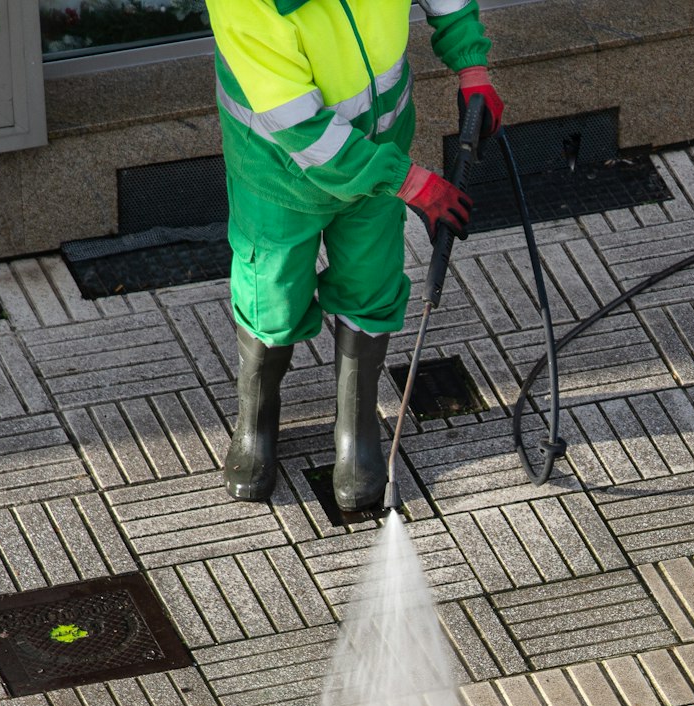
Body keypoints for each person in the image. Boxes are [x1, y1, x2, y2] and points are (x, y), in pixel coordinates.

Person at [206, 0, 504, 511]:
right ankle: (256, 422)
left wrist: (471, 63)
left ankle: (356, 427)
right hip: (279, 175)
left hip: (379, 149)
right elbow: (303, 132)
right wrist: (410, 183)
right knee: (271, 295)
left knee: (371, 282)